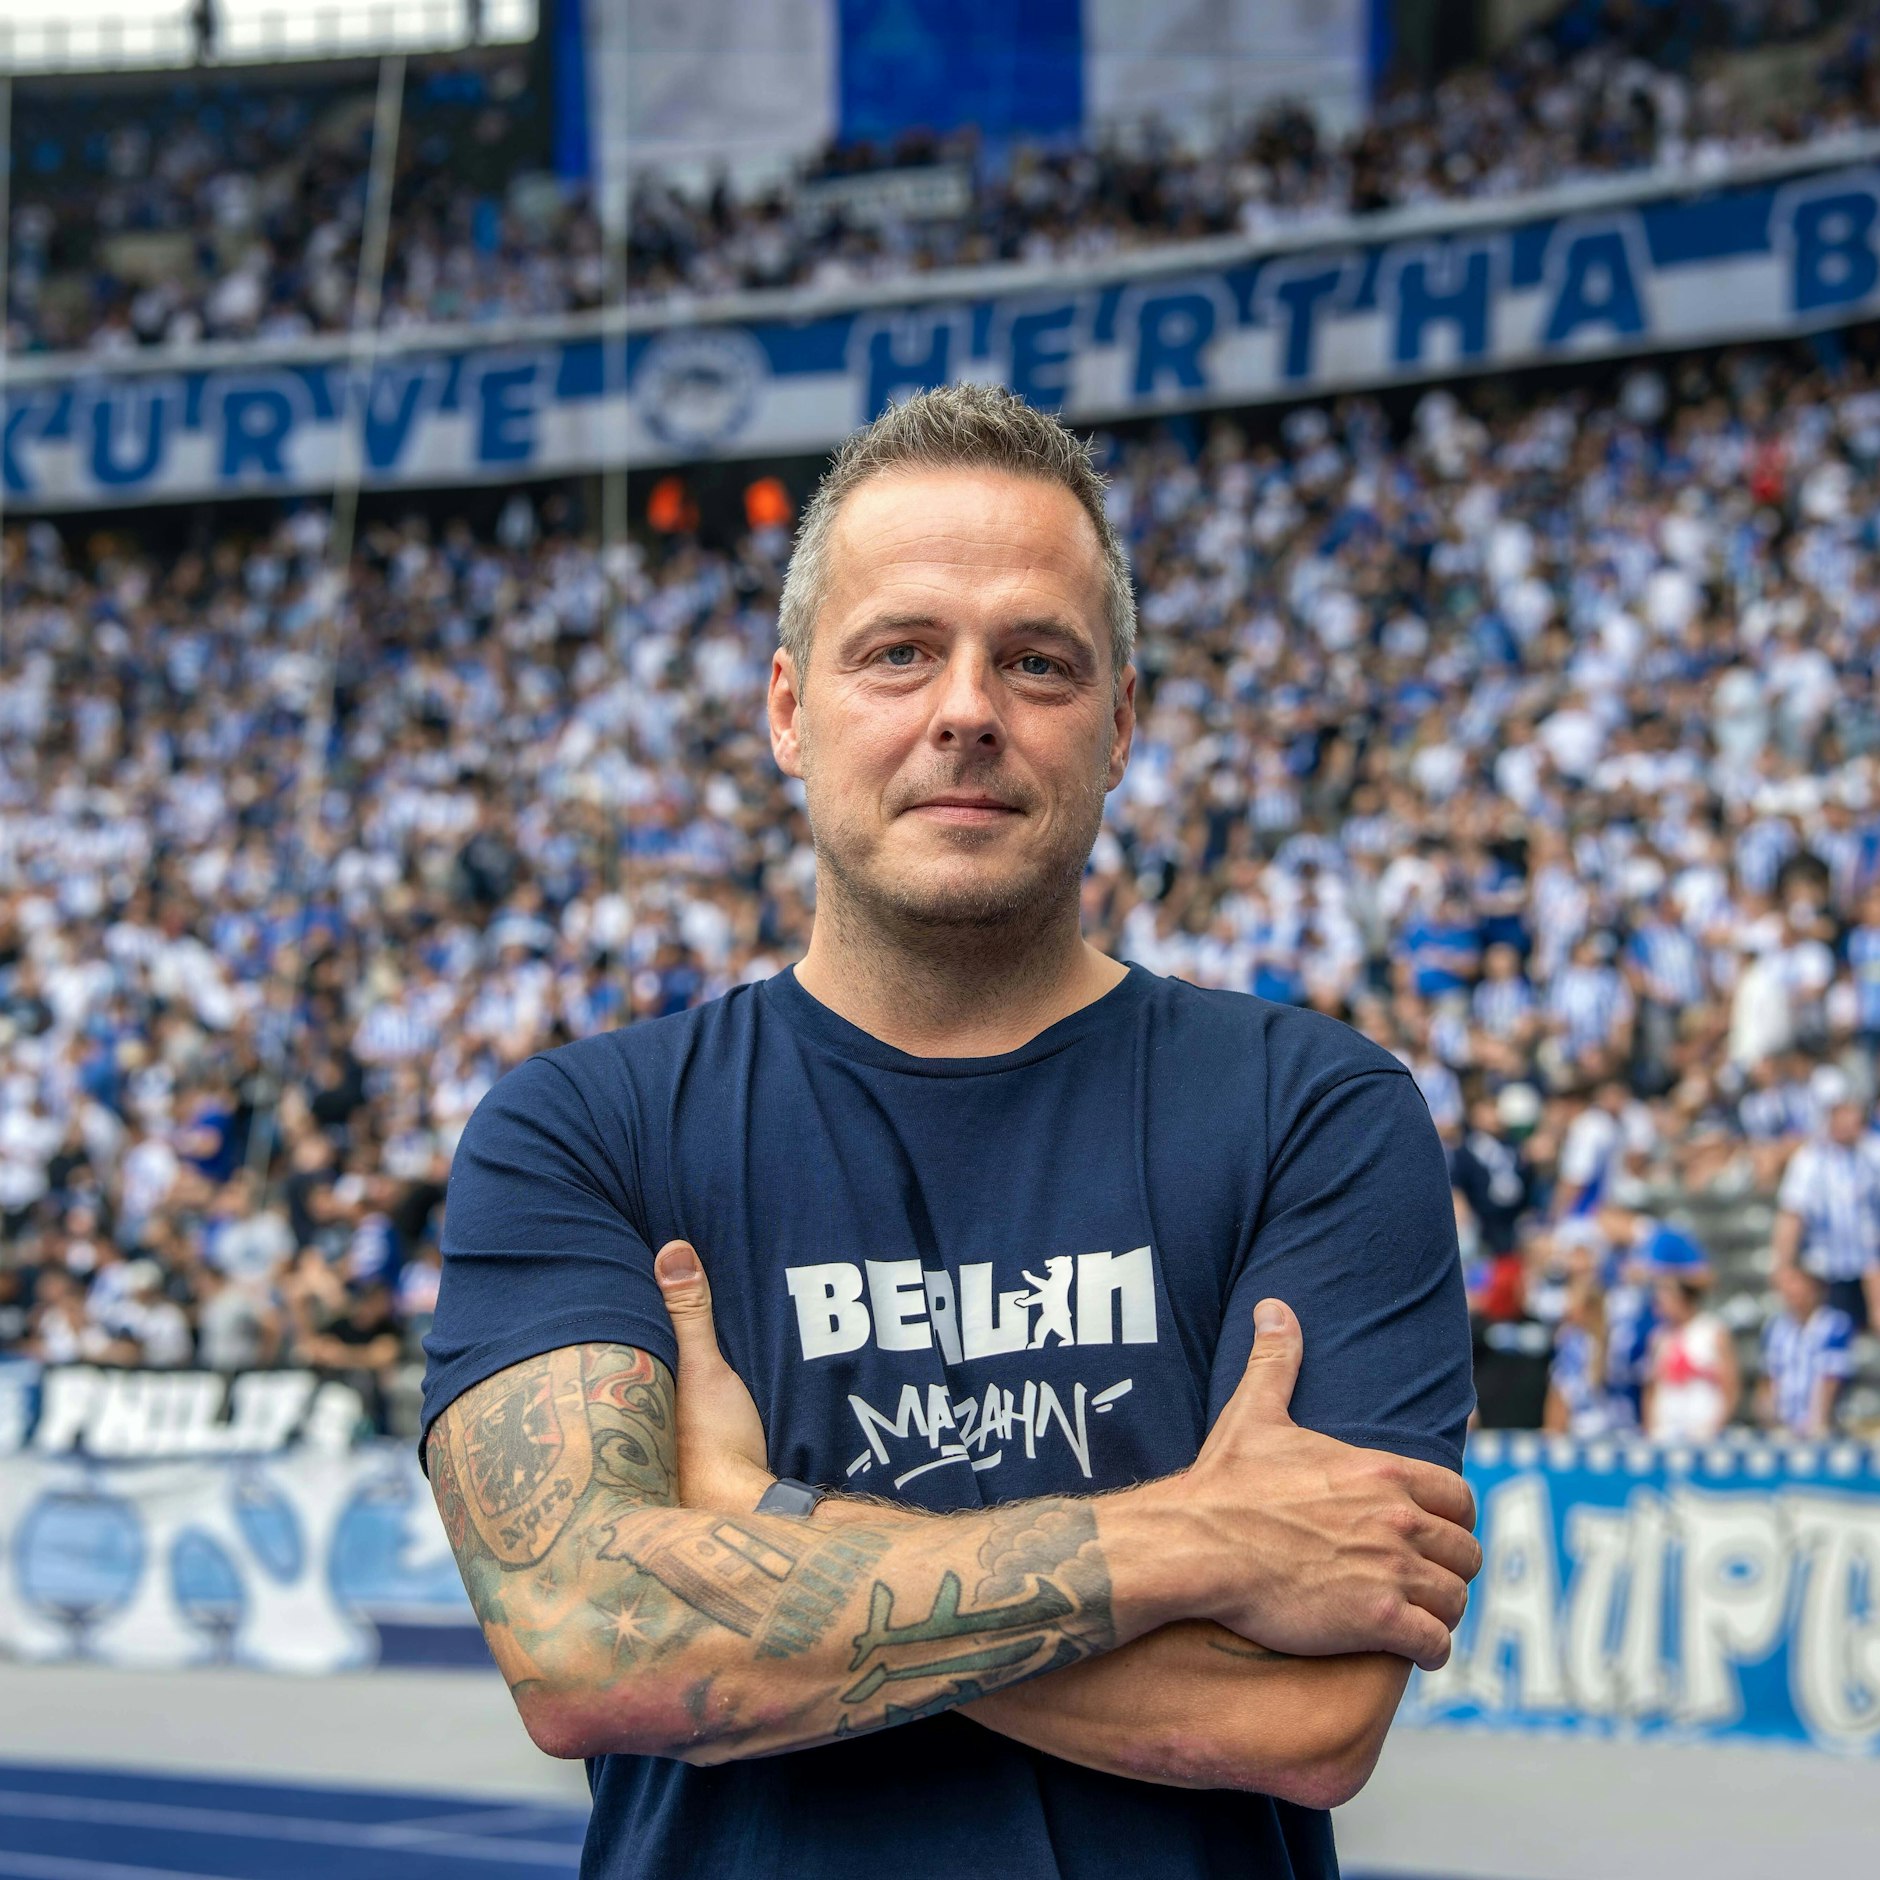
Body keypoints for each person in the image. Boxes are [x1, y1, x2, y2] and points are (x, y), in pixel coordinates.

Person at [418, 385, 1483, 1880]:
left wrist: (756, 1525)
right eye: (899, 651)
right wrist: (1206, 1541)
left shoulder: (1314, 1112)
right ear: (788, 710)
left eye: (1036, 661)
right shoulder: (584, 1129)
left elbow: (1306, 1719)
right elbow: (584, 1641)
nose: (967, 709)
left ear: (1119, 724)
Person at [1772, 1083, 1880, 1333]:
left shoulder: (1873, 1152)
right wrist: (1783, 1264)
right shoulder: (1810, 1159)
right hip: (1825, 1268)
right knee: (1832, 1332)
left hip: (1871, 1264)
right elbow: (1792, 1214)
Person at [1642, 1259, 1738, 1443]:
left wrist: (1716, 1427)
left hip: (1703, 1433)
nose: (1659, 1305)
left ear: (1682, 1299)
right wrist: (1651, 1430)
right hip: (1665, 1433)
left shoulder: (1712, 1331)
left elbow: (1730, 1385)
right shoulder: (1659, 1337)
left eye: (1665, 1298)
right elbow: (1651, 1388)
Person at [1756, 1263, 1855, 1438]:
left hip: (1822, 1425)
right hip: (1783, 1425)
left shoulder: (1835, 1324)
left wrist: (1818, 1423)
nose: (1793, 1291)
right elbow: (1768, 1378)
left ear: (1815, 1288)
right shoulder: (1775, 1327)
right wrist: (1770, 1421)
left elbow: (1831, 1378)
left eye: (1799, 1283)